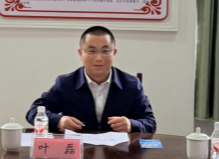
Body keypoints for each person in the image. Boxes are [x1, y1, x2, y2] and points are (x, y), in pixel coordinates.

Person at [26, 26, 156, 133]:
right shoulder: (66, 83)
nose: (99, 58)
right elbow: (34, 112)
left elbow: (150, 122)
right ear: (80, 54)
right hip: (79, 151)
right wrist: (59, 121)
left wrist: (131, 124)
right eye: (91, 51)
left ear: (114, 53)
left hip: (119, 152)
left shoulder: (131, 85)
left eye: (105, 51)